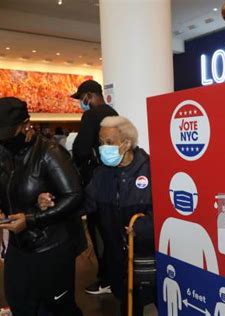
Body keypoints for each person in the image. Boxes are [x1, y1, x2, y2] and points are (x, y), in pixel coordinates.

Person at [41, 116, 155, 315]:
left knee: (154, 298)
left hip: (146, 254)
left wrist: (143, 227)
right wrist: (55, 204)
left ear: (127, 143)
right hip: (117, 256)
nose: (103, 148)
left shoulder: (151, 169)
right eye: (101, 143)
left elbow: (165, 211)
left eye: (109, 143)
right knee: (127, 303)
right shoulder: (102, 174)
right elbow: (85, 203)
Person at [0, 97, 84, 316]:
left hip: (51, 246)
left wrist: (31, 220)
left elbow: (75, 195)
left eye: (7, 133)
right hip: (19, 245)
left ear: (26, 124)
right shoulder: (5, 155)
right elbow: (6, 192)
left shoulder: (50, 152)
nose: (2, 141)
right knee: (19, 300)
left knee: (57, 308)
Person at [71, 79, 118, 295]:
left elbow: (81, 150)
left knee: (98, 230)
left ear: (89, 96)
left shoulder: (91, 115)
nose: (82, 103)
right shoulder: (114, 113)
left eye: (82, 99)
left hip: (97, 182)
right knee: (113, 231)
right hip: (116, 179)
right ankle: (117, 276)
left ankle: (106, 279)